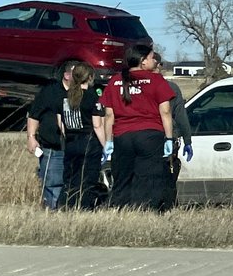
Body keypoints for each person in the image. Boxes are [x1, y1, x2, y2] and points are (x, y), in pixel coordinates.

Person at [101, 44, 176, 211]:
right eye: (151, 58)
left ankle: (122, 209)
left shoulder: (115, 81)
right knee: (148, 176)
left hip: (122, 137)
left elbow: (109, 115)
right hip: (149, 135)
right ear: (143, 61)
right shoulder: (156, 80)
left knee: (123, 176)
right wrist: (169, 138)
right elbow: (165, 111)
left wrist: (108, 141)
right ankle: (145, 209)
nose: (154, 60)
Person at [25, 61, 76, 210]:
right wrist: (31, 137)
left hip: (76, 147)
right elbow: (34, 115)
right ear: (67, 75)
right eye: (76, 72)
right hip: (53, 147)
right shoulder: (50, 92)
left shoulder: (84, 92)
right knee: (52, 182)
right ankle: (52, 211)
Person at [60, 62, 107, 210]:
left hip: (71, 142)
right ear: (90, 77)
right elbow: (97, 125)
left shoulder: (67, 97)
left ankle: (67, 205)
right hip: (89, 142)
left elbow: (61, 123)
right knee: (87, 178)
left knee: (71, 178)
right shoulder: (92, 97)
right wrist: (106, 145)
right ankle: (84, 207)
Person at [153, 54, 193, 208]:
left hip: (147, 137)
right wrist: (187, 140)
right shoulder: (170, 87)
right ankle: (167, 207)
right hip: (166, 138)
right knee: (168, 175)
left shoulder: (137, 86)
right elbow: (181, 116)